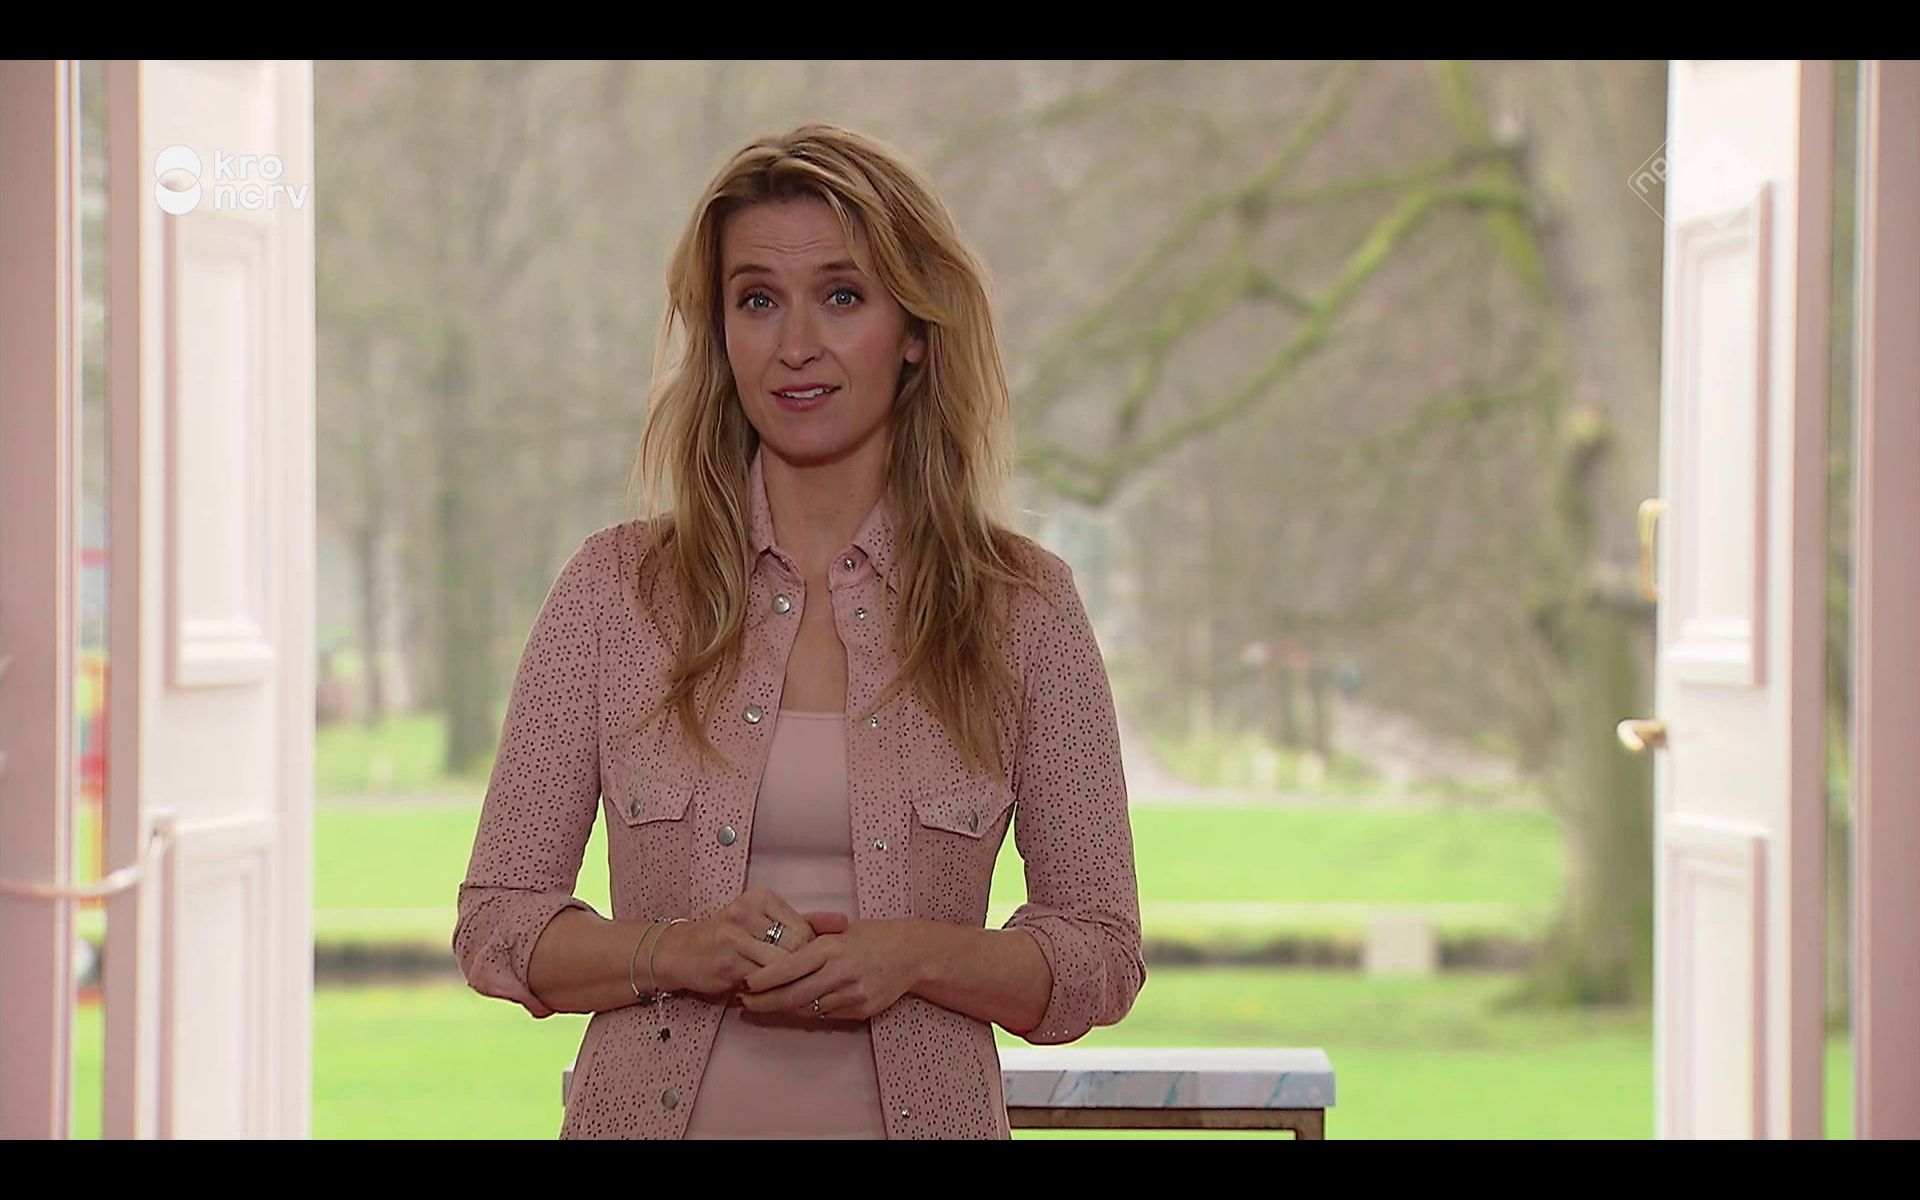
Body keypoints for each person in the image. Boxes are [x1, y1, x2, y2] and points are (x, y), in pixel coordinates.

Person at [452, 122, 1144, 1140]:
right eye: (758, 300)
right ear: (723, 333)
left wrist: (913, 955)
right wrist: (675, 951)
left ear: (915, 331)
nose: (796, 345)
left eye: (844, 296)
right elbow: (498, 923)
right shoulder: (613, 593)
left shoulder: (1024, 610)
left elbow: (1100, 954)